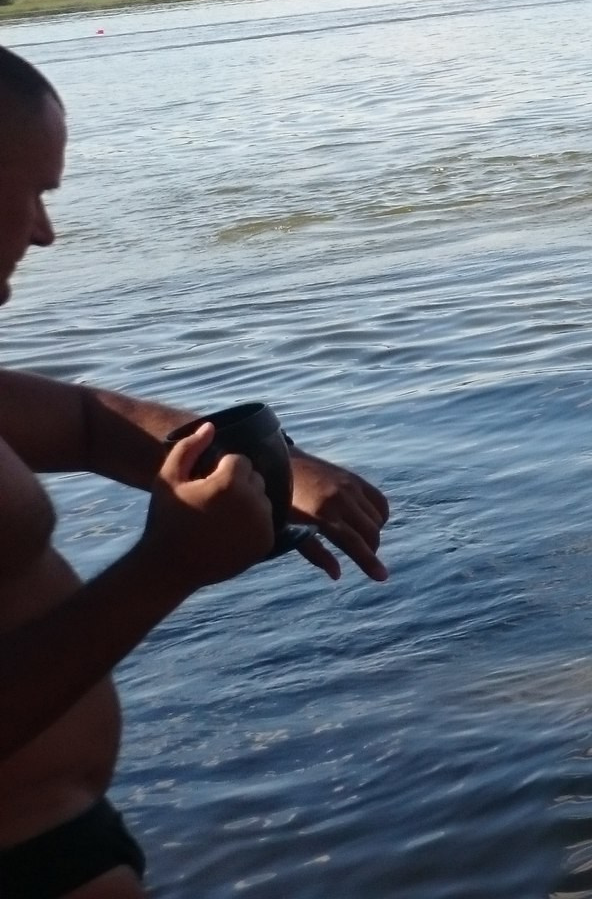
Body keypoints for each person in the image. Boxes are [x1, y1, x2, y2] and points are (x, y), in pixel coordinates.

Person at [0, 43, 390, 899]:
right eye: (26, 192)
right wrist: (166, 568)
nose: (42, 230)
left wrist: (280, 474)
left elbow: (86, 423)